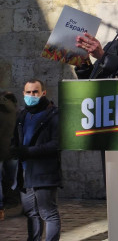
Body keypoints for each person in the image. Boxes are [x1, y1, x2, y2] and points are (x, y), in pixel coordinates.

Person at [9, 79, 62, 241]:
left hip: (44, 173)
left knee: (48, 213)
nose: (32, 95)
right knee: (31, 213)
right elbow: (15, 139)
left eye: (35, 92)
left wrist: (27, 152)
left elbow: (56, 144)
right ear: (23, 94)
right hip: (24, 174)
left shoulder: (54, 114)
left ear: (43, 93)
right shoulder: (22, 115)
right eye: (29, 92)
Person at [0, 91, 18, 221]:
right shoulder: (12, 108)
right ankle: (12, 201)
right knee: (11, 178)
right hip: (11, 149)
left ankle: (0, 207)